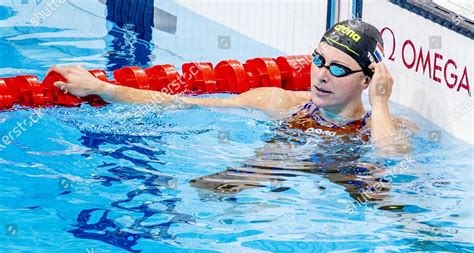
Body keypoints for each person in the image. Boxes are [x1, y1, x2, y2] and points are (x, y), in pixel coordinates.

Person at [48, 19, 417, 156]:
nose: (321, 75)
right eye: (318, 60)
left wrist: (380, 104)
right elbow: (182, 105)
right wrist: (104, 87)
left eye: (338, 68)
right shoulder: (278, 101)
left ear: (367, 81)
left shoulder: (387, 128)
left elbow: (391, 157)